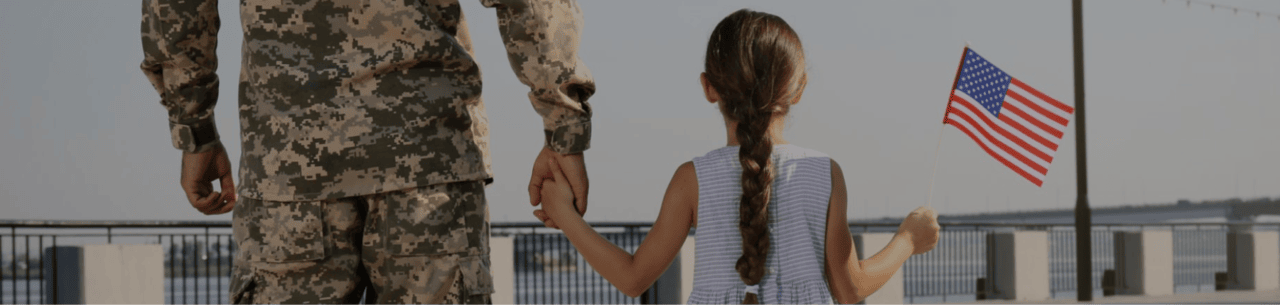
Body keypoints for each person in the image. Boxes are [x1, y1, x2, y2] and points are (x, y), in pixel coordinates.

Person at [140, 0, 595, 303]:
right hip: (428, 156)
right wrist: (564, 127)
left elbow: (176, 10)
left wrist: (194, 128)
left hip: (289, 165)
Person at [535, 9, 940, 305]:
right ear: (797, 91)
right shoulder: (824, 174)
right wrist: (907, 239)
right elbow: (849, 288)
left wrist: (566, 216)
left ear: (708, 88)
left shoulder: (692, 178)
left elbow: (633, 278)